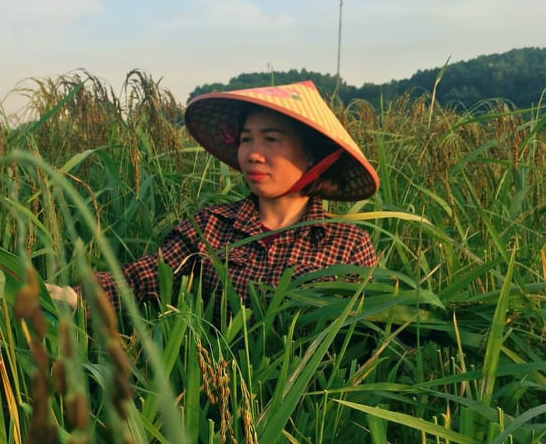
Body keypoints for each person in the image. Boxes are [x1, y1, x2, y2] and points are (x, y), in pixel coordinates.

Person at [48, 80, 378, 325]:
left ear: (312, 156)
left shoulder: (348, 245)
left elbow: (369, 334)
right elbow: (142, 278)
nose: (253, 153)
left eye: (271, 139)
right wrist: (72, 297)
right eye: (246, 139)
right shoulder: (211, 227)